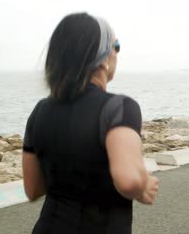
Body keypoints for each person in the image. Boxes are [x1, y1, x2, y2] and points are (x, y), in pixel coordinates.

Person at [22, 13, 158, 234]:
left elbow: (33, 188)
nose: (117, 53)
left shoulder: (40, 111)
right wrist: (143, 185)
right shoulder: (118, 108)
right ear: (103, 57)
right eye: (116, 45)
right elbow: (129, 181)